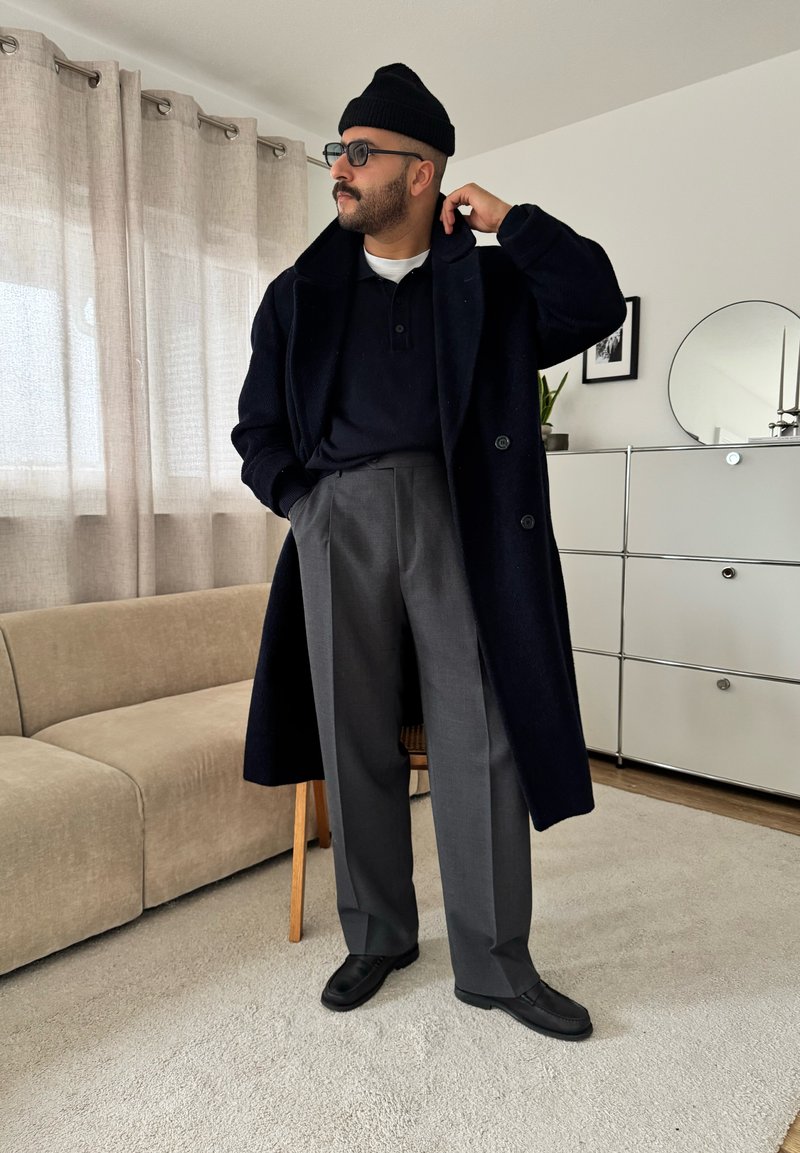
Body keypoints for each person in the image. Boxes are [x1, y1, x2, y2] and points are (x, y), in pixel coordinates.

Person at [231, 63, 627, 1041]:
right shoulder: (299, 294)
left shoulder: (486, 282)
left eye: (359, 153)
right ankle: (376, 934)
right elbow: (256, 429)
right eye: (337, 150)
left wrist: (510, 221)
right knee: (349, 728)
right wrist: (303, 502)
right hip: (337, 519)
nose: (339, 167)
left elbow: (596, 302)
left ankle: (494, 962)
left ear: (421, 173)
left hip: (460, 517)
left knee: (479, 733)